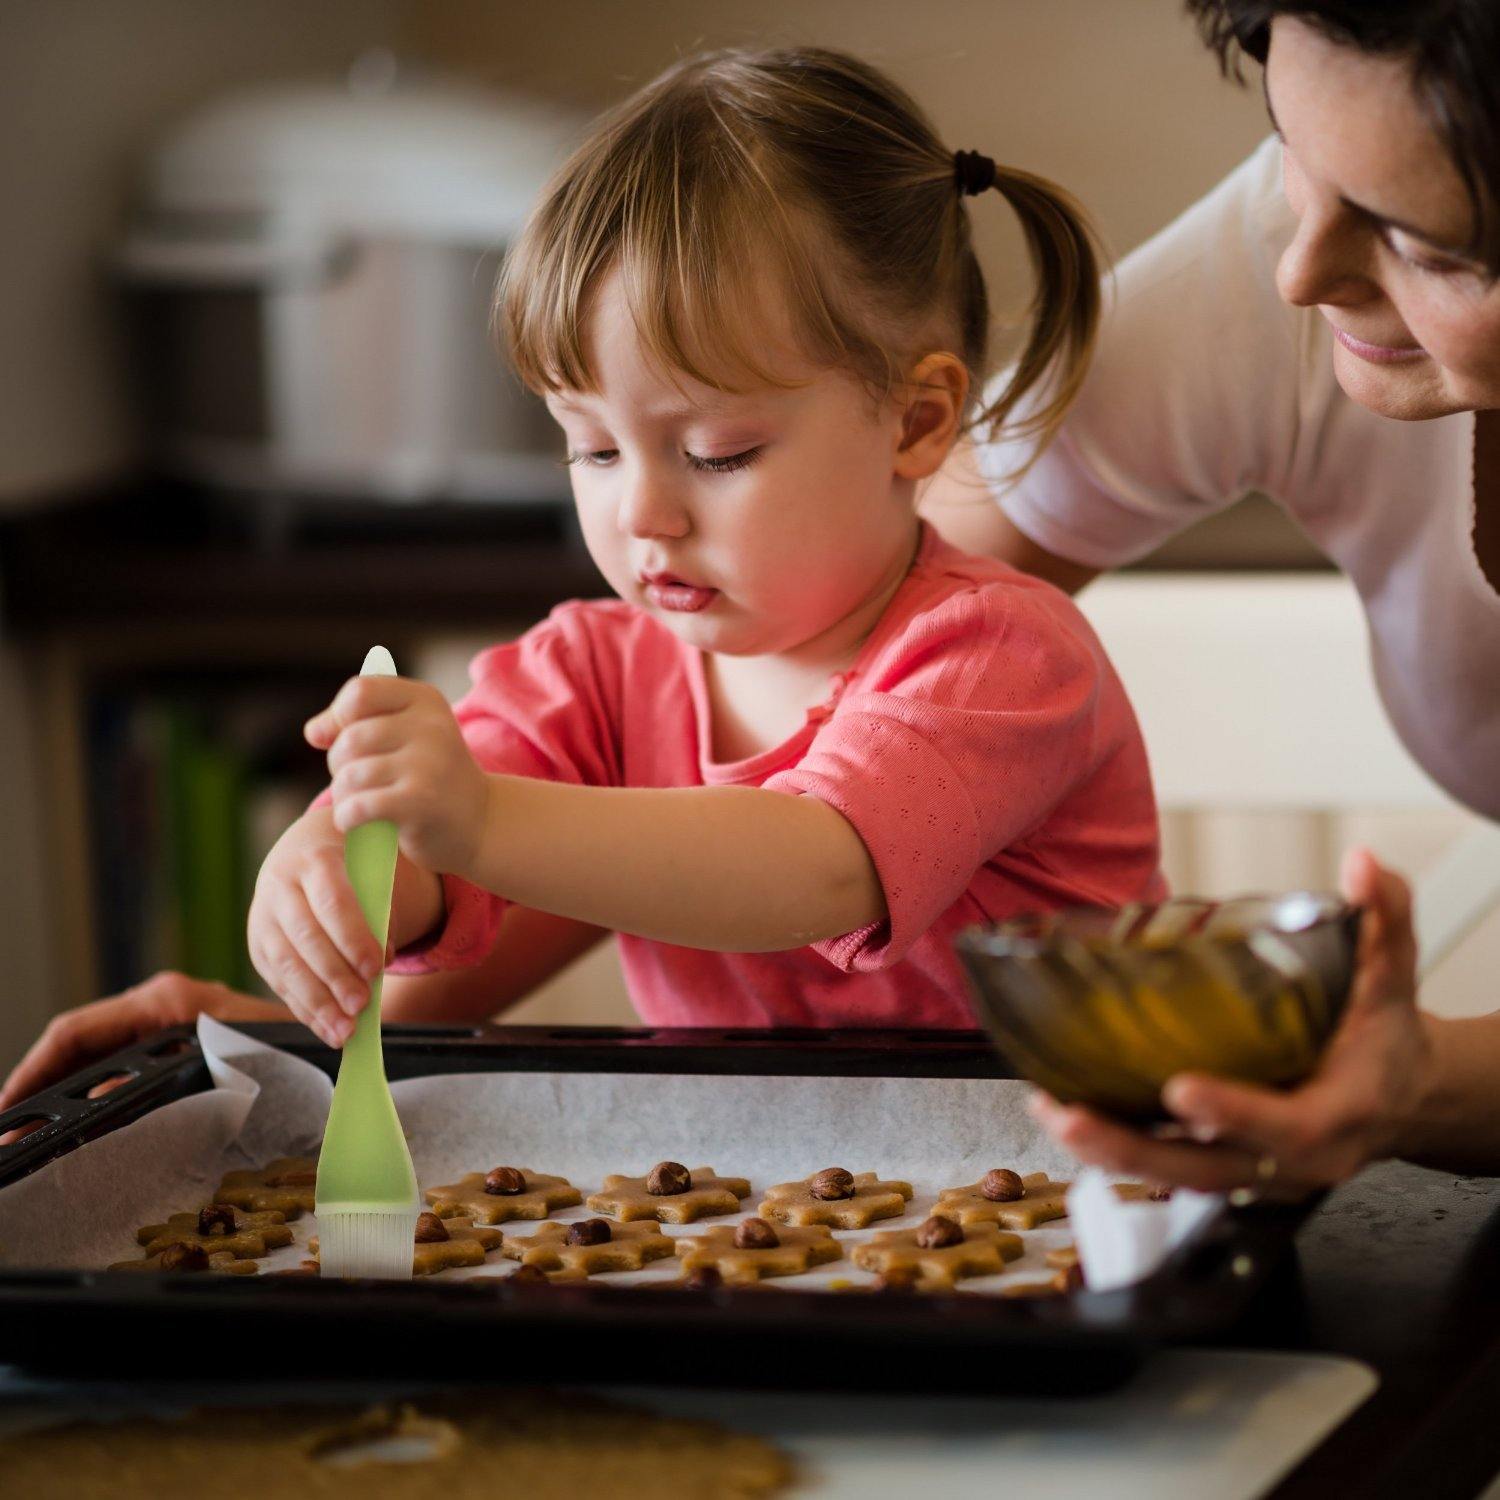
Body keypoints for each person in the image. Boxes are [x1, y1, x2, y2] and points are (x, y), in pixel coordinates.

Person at [239, 45, 1163, 1048]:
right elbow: (451, 863)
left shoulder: (1002, 656)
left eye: (717, 454)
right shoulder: (590, 675)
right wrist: (353, 866)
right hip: (741, 1201)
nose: (643, 513)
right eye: (592, 448)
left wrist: (484, 821)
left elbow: (816, 866)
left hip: (1061, 1179)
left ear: (914, 423)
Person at [921, 0, 1500, 1191]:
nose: (1301, 271)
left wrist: (1418, 1083)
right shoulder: (1302, 235)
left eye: (1433, 250)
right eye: (1290, 138)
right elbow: (878, 610)